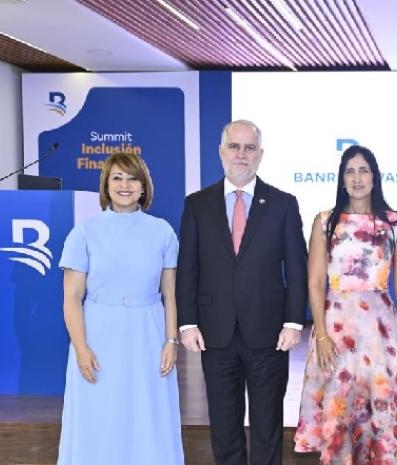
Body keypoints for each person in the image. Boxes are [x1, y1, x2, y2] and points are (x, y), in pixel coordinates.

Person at [176, 119, 308, 465]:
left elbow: (297, 268)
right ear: (221, 152)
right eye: (234, 146)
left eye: (250, 148)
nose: (241, 154)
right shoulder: (197, 204)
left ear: (260, 155)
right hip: (214, 333)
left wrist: (294, 322)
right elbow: (188, 267)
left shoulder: (283, 204)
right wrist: (187, 322)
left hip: (269, 334)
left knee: (267, 425)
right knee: (223, 425)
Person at [56, 151, 184, 465]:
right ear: (106, 186)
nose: (124, 185)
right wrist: (81, 348)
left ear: (144, 186)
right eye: (117, 177)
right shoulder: (84, 233)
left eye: (132, 177)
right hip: (99, 332)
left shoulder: (163, 231)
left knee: (148, 411)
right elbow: (72, 297)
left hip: (148, 332)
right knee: (99, 411)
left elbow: (170, 294)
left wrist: (171, 341)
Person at [294, 145, 397, 464]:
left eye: (363, 170)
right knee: (341, 410)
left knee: (383, 411)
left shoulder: (395, 223)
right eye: (350, 171)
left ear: (375, 177)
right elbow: (315, 281)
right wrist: (320, 334)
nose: (357, 178)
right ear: (341, 180)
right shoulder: (324, 222)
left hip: (381, 331)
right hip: (336, 330)